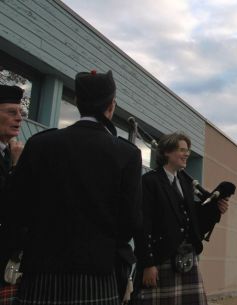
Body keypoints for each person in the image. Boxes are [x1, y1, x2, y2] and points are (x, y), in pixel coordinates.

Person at [7, 70, 143, 305]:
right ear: (111, 106)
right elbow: (129, 221)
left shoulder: (40, 144)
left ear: (78, 102)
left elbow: (16, 209)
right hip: (97, 273)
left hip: (40, 272)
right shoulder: (126, 153)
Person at [134, 132, 229, 305]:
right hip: (160, 258)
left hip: (186, 257)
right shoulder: (150, 181)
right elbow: (143, 225)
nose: (187, 154)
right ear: (166, 153)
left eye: (188, 150)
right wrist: (148, 264)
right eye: (182, 150)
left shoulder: (185, 183)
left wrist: (215, 209)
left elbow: (191, 217)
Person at [0, 84, 25, 301]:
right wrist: (17, 168)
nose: (19, 118)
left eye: (21, 113)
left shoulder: (9, 152)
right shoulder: (14, 158)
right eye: (11, 112)